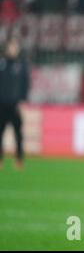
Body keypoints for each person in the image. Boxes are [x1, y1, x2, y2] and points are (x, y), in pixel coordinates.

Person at [0, 35, 30, 170]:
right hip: (1, 103)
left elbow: (25, 84)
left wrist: (23, 101)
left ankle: (19, 159)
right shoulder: (1, 63)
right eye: (11, 47)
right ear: (6, 49)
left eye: (15, 47)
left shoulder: (21, 65)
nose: (13, 49)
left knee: (18, 133)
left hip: (15, 105)